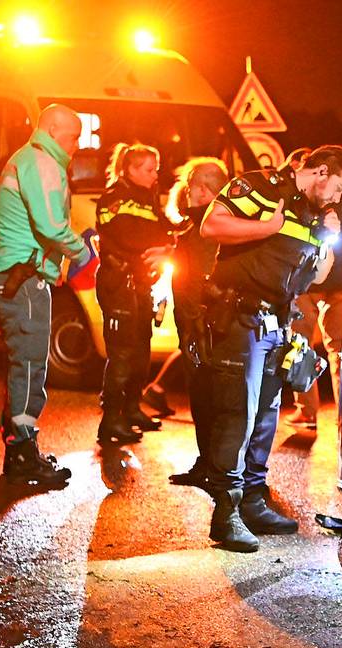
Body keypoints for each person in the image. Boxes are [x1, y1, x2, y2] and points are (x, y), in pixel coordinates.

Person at [199, 144, 342, 551]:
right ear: (321, 171)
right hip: (241, 317)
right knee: (239, 414)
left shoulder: (312, 213)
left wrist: (330, 237)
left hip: (277, 322)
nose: (339, 197)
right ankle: (226, 512)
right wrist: (266, 228)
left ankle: (253, 500)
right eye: (338, 187)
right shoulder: (258, 188)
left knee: (267, 415)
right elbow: (211, 226)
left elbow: (319, 276)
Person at [0, 104, 95, 485]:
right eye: (74, 135)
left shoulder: (33, 159)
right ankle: (22, 456)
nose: (78, 143)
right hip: (22, 278)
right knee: (30, 367)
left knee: (25, 365)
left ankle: (21, 450)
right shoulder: (42, 161)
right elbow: (50, 224)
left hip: (22, 274)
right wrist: (82, 254)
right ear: (52, 128)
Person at [146, 157, 231, 488]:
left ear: (202, 189)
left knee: (212, 398)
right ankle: (208, 463)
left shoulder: (212, 226)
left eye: (194, 184)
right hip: (194, 323)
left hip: (205, 324)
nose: (189, 191)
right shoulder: (197, 224)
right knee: (202, 396)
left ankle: (217, 467)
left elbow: (205, 277)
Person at [93, 143, 173, 446]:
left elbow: (164, 229)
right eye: (149, 169)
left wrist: (172, 241)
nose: (156, 175)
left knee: (141, 350)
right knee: (122, 354)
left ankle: (131, 409)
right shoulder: (115, 198)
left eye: (156, 168)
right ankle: (110, 420)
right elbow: (131, 237)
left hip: (140, 284)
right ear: (130, 169)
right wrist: (163, 242)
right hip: (119, 283)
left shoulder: (147, 198)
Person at [288, 191, 342, 432]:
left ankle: (306, 411)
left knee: (300, 347)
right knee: (339, 352)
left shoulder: (303, 199)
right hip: (339, 283)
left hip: (309, 282)